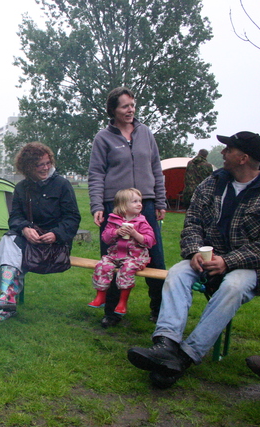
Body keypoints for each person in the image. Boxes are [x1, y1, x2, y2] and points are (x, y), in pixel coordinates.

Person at [127, 131, 260, 388]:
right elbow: (192, 223)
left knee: (233, 286)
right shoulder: (212, 183)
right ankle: (165, 344)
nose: (223, 153)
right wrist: (194, 252)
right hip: (205, 258)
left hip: (250, 267)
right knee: (178, 273)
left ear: (243, 158)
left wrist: (229, 261)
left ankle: (185, 356)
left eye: (229, 150)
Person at [88, 86, 166, 328]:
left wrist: (160, 201)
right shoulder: (103, 138)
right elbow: (96, 173)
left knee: (156, 258)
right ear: (113, 110)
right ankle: (112, 312)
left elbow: (156, 169)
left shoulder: (146, 134)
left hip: (146, 204)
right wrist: (97, 205)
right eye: (125, 106)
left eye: (132, 105)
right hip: (115, 206)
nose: (131, 109)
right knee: (113, 257)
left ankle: (159, 310)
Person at [0, 142, 81, 322]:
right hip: (30, 240)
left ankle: (7, 301)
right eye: (40, 164)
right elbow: (14, 218)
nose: (45, 168)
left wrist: (56, 234)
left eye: (48, 163)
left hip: (55, 246)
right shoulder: (22, 187)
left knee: (11, 252)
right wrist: (25, 228)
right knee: (8, 243)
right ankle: (8, 299)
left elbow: (73, 218)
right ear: (28, 167)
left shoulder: (62, 185)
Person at [88, 188, 155, 315]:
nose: (139, 204)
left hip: (135, 257)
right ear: (122, 205)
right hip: (115, 255)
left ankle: (122, 302)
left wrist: (135, 234)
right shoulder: (113, 220)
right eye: (134, 201)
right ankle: (100, 296)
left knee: (127, 269)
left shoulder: (142, 221)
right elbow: (105, 238)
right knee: (103, 265)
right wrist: (116, 232)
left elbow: (150, 241)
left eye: (140, 201)